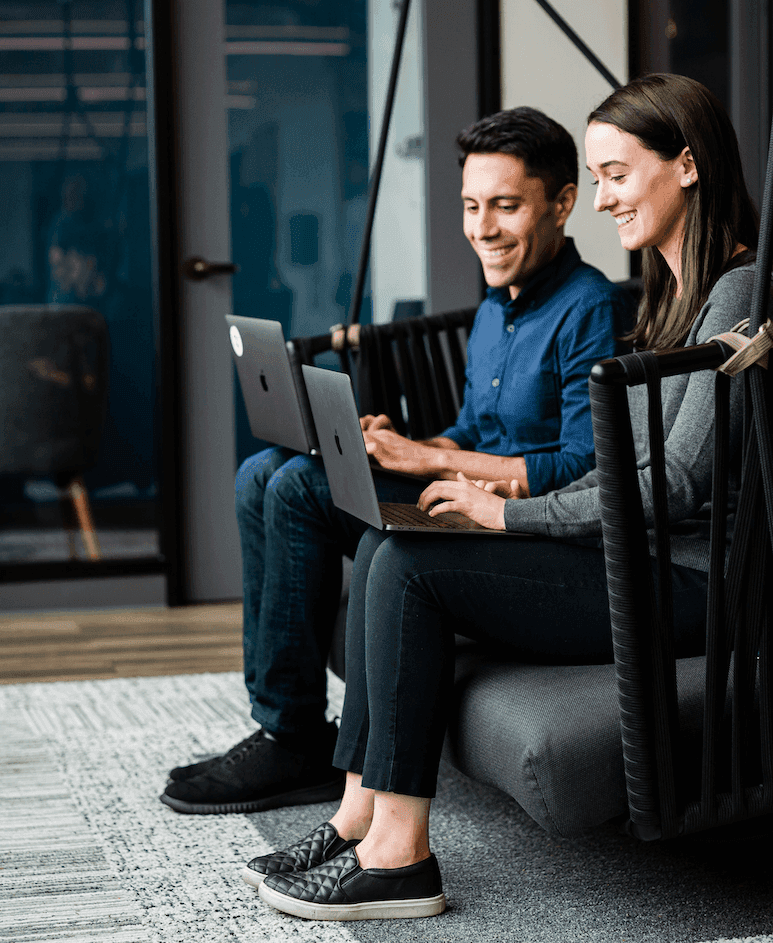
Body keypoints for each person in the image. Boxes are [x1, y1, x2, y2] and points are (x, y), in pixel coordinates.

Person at [246, 73, 773, 921]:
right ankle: (362, 817)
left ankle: (399, 857)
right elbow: (623, 469)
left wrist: (507, 512)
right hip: (643, 557)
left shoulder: (740, 293)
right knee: (389, 541)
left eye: (617, 174)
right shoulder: (673, 295)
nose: (605, 198)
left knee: (408, 566)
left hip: (699, 583)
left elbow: (676, 482)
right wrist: (484, 495)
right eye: (599, 176)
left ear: (687, 166)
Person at [160, 107, 633, 815]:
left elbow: (579, 466)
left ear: (563, 203)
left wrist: (420, 457)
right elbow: (478, 427)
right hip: (458, 498)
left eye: (506, 206)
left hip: (521, 531)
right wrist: (405, 443)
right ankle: (279, 720)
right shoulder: (495, 309)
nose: (482, 228)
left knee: (295, 489)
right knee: (261, 473)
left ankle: (292, 736)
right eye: (471, 206)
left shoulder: (589, 307)